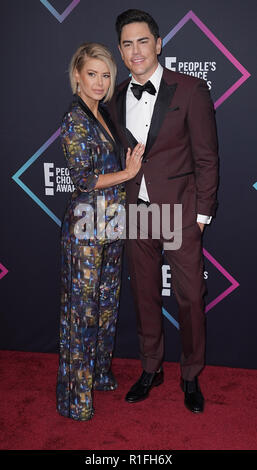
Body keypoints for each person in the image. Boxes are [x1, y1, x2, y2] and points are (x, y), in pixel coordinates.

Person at [108, 9, 219, 413]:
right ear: (120, 51)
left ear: (158, 44)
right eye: (126, 43)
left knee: (189, 297)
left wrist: (202, 214)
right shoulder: (116, 96)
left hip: (180, 212)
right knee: (145, 295)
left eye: (142, 41)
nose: (135, 50)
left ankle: (190, 374)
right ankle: (151, 367)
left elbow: (207, 156)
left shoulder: (190, 89)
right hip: (137, 211)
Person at [56, 42, 144, 421]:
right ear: (77, 76)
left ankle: (98, 375)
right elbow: (82, 178)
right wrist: (126, 174)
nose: (99, 81)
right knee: (82, 313)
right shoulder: (74, 119)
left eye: (106, 75)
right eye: (92, 74)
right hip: (85, 229)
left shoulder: (103, 114)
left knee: (106, 307)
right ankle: (74, 398)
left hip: (111, 223)